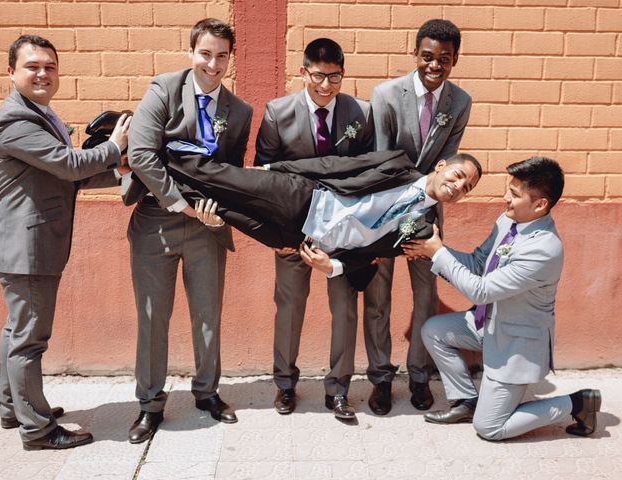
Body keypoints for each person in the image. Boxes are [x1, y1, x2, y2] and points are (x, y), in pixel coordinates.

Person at [0, 34, 130, 450]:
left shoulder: (39, 114)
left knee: (16, 331)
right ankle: (38, 430)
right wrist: (115, 146)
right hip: (27, 248)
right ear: (10, 72)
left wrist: (119, 168)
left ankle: (16, 410)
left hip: (23, 244)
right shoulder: (16, 120)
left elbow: (69, 175)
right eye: (32, 66)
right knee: (30, 338)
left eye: (49, 66)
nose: (43, 73)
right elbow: (68, 165)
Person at [405, 157, 601, 440]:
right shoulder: (506, 221)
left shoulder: (544, 249)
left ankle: (579, 402)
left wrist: (438, 253)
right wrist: (430, 250)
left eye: (515, 194)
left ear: (540, 205)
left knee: (490, 429)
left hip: (514, 345)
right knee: (434, 331)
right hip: (488, 325)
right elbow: (475, 262)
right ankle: (466, 401)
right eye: (509, 188)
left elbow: (481, 291)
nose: (505, 198)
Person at [125, 18, 253, 444]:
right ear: (192, 52)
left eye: (221, 56)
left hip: (207, 228)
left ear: (229, 58)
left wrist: (221, 213)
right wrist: (180, 204)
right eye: (205, 53)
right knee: (151, 317)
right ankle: (149, 405)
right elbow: (142, 154)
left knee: (207, 315)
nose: (212, 64)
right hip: (155, 221)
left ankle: (207, 393)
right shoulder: (164, 89)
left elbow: (230, 173)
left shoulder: (240, 111)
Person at [254, 38, 376, 419]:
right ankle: (285, 385)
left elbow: (368, 174)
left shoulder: (362, 112)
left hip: (342, 233)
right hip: (294, 231)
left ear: (343, 74)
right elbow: (264, 178)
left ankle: (339, 388)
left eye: (335, 77)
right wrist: (277, 236)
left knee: (345, 309)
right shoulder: (277, 112)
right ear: (303, 72)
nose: (326, 86)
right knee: (289, 308)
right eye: (318, 76)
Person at [166, 151, 481, 289]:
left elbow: (374, 255)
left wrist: (333, 266)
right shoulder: (398, 164)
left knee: (218, 207)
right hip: (304, 198)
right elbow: (336, 165)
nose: (457, 187)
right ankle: (154, 156)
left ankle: (154, 186)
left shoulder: (424, 229)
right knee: (223, 178)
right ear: (441, 166)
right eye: (458, 176)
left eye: (466, 188)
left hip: (297, 239)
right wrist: (275, 168)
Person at [368, 18, 472, 414]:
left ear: (455, 60)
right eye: (427, 56)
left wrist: (425, 204)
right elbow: (380, 160)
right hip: (386, 207)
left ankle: (418, 373)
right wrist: (405, 202)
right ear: (415, 53)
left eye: (444, 59)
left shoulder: (460, 102)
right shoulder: (386, 95)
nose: (434, 65)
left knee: (425, 295)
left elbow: (446, 164)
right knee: (378, 298)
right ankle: (379, 377)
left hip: (426, 214)